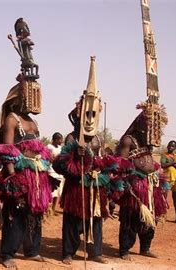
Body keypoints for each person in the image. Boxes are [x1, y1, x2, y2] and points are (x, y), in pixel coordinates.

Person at [0, 18, 51, 268]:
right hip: (18, 176)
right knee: (15, 215)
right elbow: (7, 151)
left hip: (36, 176)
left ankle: (32, 249)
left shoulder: (33, 124)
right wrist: (12, 179)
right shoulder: (12, 119)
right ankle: (8, 254)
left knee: (35, 214)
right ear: (18, 98)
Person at [53, 56, 113, 265]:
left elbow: (105, 162)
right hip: (75, 188)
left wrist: (100, 171)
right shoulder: (71, 138)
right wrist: (74, 161)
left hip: (94, 189)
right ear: (79, 113)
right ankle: (68, 252)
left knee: (95, 219)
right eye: (86, 113)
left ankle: (95, 252)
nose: (89, 118)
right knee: (71, 220)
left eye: (93, 114)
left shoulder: (99, 139)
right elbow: (58, 165)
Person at [112, 106, 170, 261]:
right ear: (139, 124)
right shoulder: (128, 140)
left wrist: (156, 169)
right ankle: (124, 249)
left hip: (150, 186)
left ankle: (145, 248)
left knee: (150, 218)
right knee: (130, 218)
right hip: (135, 185)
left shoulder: (148, 142)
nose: (150, 128)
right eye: (147, 124)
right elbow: (121, 163)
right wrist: (127, 181)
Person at [160, 140, 176, 223]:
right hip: (167, 178)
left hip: (175, 179)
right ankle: (162, 215)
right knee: (164, 197)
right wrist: (173, 163)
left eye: (173, 146)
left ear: (175, 148)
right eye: (169, 145)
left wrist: (171, 163)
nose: (170, 147)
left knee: (175, 197)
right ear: (167, 146)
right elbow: (163, 165)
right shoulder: (164, 155)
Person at [48, 132, 64, 215]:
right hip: (51, 171)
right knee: (51, 192)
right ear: (55, 139)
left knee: (57, 192)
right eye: (59, 139)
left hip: (59, 173)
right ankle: (48, 209)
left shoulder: (61, 148)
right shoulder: (49, 147)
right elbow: (48, 158)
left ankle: (53, 209)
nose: (61, 141)